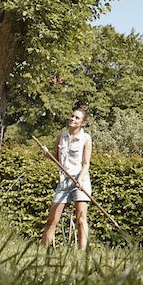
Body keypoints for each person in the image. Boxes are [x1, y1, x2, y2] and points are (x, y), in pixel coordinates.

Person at [40, 107, 92, 250]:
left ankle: (82, 253)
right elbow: (57, 159)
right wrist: (47, 154)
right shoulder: (61, 136)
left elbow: (86, 163)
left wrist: (80, 179)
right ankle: (42, 249)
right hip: (64, 181)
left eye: (77, 118)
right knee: (52, 219)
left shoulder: (86, 138)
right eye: (72, 116)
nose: (72, 119)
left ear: (83, 123)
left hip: (80, 180)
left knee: (81, 220)